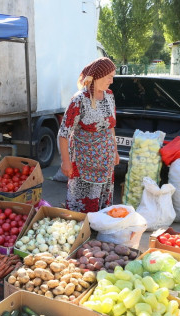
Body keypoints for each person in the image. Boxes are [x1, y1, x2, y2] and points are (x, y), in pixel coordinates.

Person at [58, 57, 119, 213]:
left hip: (106, 161)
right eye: (109, 76)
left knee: (103, 201)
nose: (111, 81)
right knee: (82, 201)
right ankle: (81, 231)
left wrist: (115, 152)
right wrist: (66, 162)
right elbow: (63, 133)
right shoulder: (79, 100)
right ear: (97, 76)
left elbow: (111, 126)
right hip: (84, 163)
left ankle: (99, 228)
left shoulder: (109, 96)